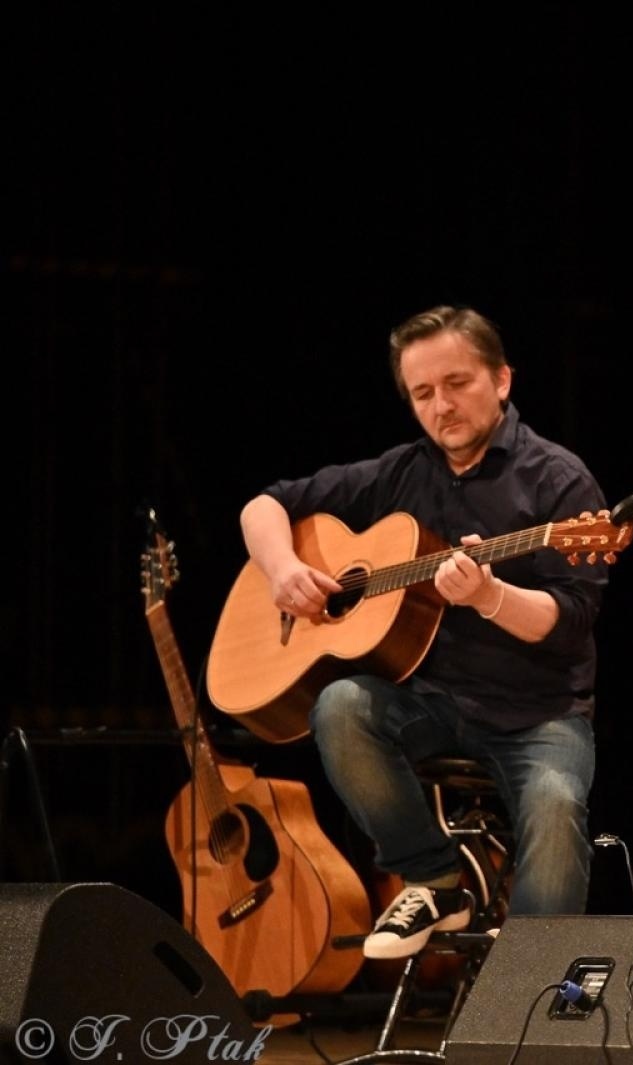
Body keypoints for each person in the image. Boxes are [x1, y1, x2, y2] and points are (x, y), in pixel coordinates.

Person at [240, 305, 607, 957]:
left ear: (501, 380)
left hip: (538, 712)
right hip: (430, 703)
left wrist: (490, 595)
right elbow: (265, 504)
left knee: (554, 804)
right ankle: (434, 877)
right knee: (341, 704)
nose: (442, 405)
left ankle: (526, 985)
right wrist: (283, 569)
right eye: (423, 393)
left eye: (457, 383)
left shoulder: (559, 480)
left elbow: (570, 617)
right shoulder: (401, 472)